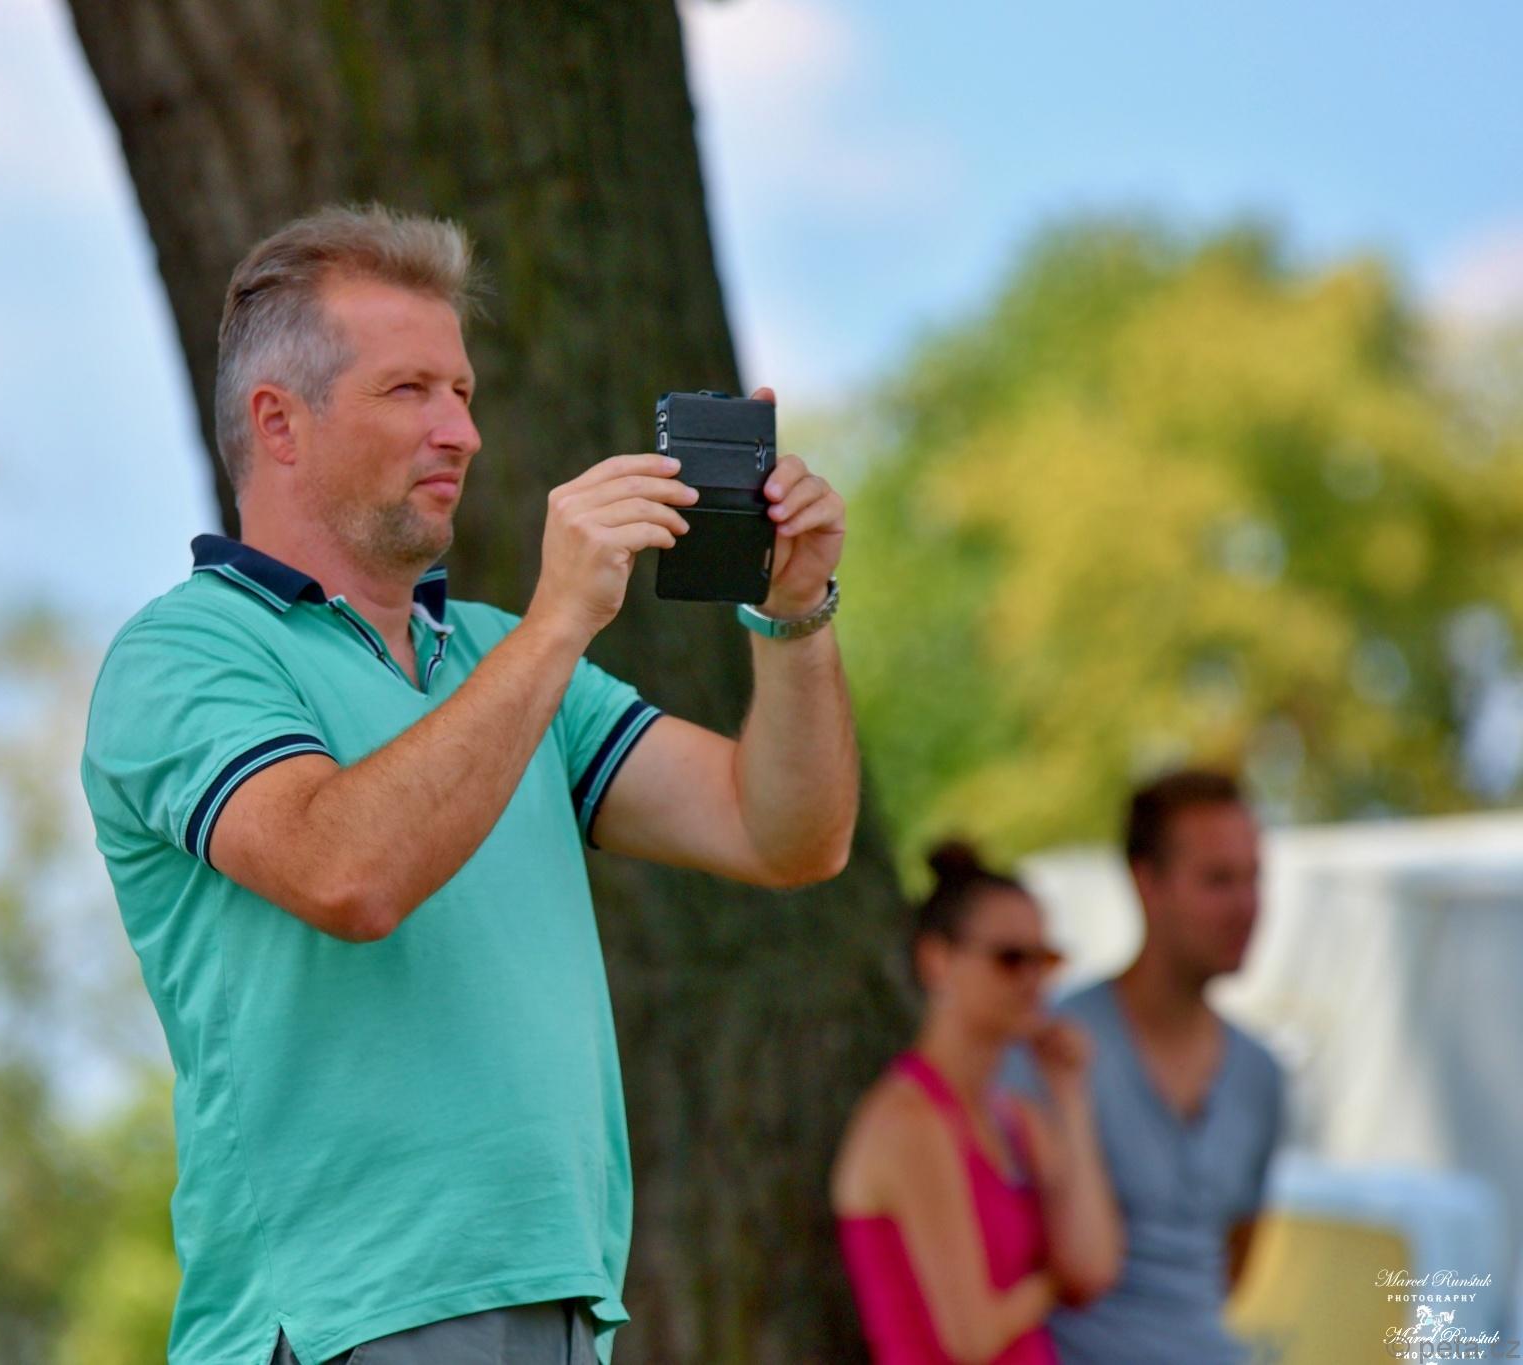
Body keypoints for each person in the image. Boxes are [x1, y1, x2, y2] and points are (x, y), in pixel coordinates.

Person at [79, 204, 861, 1365]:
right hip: (344, 1321)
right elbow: (346, 874)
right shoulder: (185, 653)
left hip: (561, 1305)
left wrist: (793, 614)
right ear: (278, 422)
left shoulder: (496, 655)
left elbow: (782, 834)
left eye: (462, 392)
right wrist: (558, 624)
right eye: (409, 391)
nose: (462, 432)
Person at [1000, 769, 1285, 1364]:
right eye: (1218, 880)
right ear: (1145, 882)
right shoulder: (1053, 1048)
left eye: (1254, 878)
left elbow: (1232, 1265)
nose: (1246, 906)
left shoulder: (1262, 1075)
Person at [833, 843, 1121, 1364]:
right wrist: (1049, 1283)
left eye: (1046, 959)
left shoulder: (1015, 1119)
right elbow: (969, 1337)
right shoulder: (910, 1120)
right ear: (937, 960)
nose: (1033, 980)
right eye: (1010, 959)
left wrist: (1070, 1096)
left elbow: (1093, 1267)